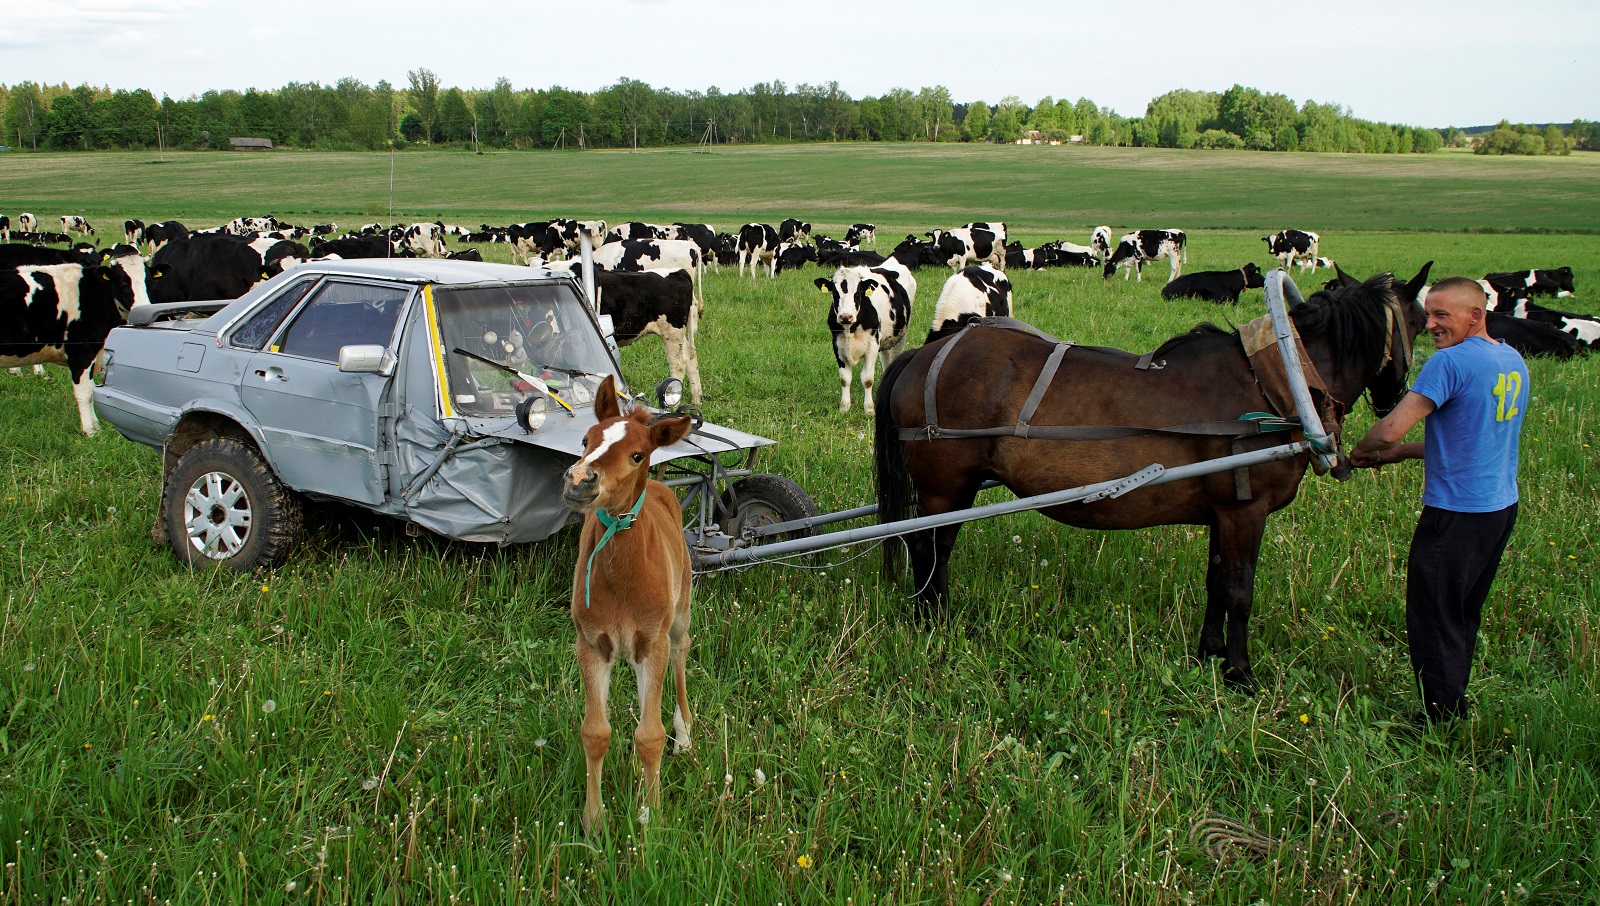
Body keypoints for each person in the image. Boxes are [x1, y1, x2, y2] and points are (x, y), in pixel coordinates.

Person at [1350, 277, 1528, 725]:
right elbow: (1471, 436)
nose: (1430, 324)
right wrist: (1397, 457)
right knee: (1463, 610)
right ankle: (1454, 700)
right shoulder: (1511, 359)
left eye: (1442, 315)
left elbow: (1390, 427)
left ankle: (1440, 718)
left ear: (1476, 314)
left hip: (1456, 514)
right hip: (1499, 508)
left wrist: (1364, 448)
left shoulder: (1449, 363)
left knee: (1432, 613)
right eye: (1429, 314)